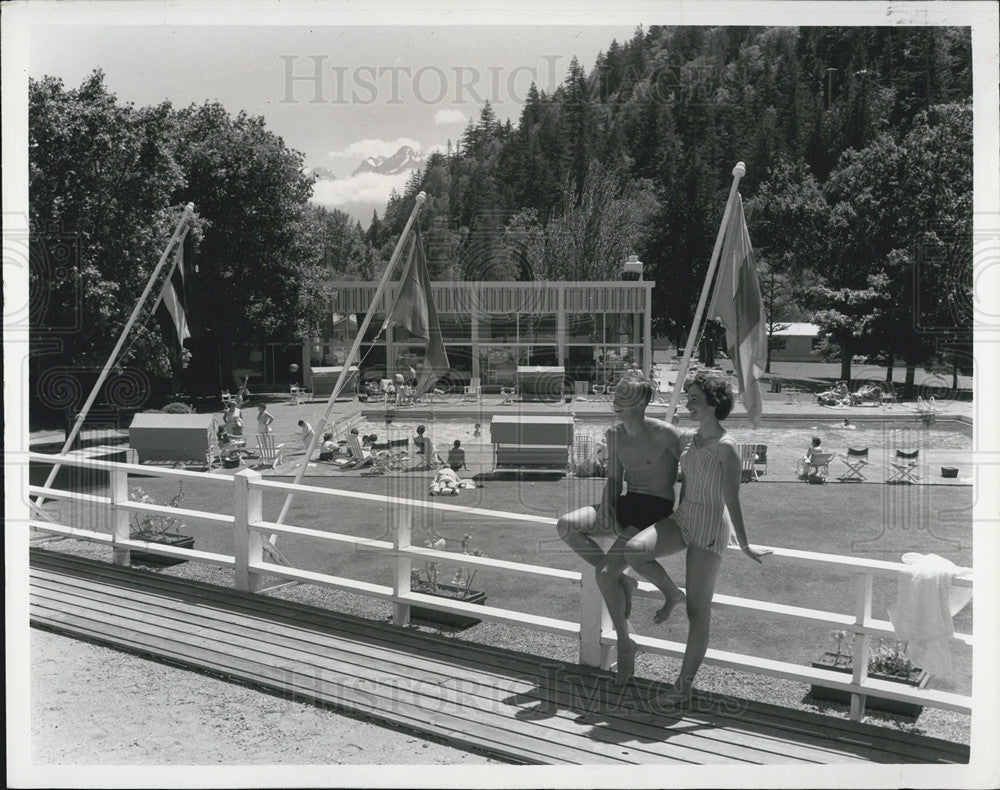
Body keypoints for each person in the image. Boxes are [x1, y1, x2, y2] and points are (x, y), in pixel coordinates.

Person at [624, 371, 770, 707]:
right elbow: (685, 481)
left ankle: (682, 687)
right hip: (683, 517)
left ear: (714, 404)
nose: (688, 404)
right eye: (687, 397)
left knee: (697, 613)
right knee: (633, 550)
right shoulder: (689, 439)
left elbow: (732, 499)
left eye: (694, 399)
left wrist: (745, 544)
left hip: (710, 528)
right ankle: (671, 593)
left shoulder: (727, 448)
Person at [556, 372, 681, 686]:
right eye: (615, 394)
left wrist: (689, 513)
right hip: (625, 503)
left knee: (604, 574)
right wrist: (607, 506)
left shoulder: (667, 434)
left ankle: (626, 641)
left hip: (653, 508)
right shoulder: (614, 434)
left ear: (640, 401)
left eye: (622, 395)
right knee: (567, 526)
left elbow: (692, 473)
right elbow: (614, 479)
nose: (614, 399)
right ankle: (627, 582)